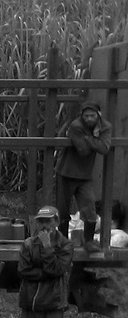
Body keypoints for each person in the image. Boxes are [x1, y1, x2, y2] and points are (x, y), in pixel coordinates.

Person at [56, 101, 112, 251]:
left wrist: (88, 139)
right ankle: (63, 241)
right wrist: (93, 139)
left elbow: (104, 148)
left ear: (98, 115)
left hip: (85, 175)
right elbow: (83, 150)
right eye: (86, 116)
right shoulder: (76, 126)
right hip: (66, 172)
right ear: (82, 116)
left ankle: (88, 241)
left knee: (89, 208)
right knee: (63, 209)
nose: (89, 119)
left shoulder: (105, 126)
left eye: (92, 115)